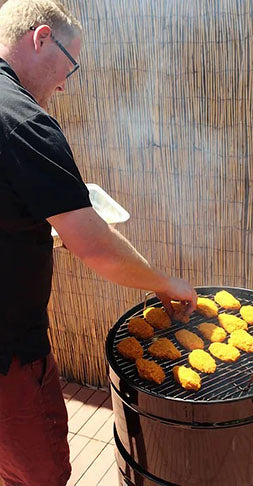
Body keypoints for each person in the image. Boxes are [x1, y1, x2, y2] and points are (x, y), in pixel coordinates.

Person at [0, 1, 197, 485]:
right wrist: (165, 284)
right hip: (7, 356)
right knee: (39, 473)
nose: (67, 83)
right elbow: (97, 246)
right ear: (42, 38)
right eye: (71, 65)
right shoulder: (24, 123)